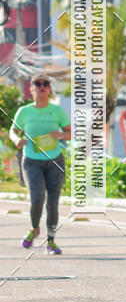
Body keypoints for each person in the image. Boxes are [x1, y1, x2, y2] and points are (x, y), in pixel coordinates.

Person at [9, 73, 71, 255]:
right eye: (38, 84)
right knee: (37, 198)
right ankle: (34, 228)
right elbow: (13, 131)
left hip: (55, 161)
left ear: (50, 89)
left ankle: (51, 242)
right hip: (31, 162)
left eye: (46, 84)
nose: (42, 87)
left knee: (53, 203)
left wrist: (60, 135)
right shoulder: (24, 111)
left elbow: (70, 133)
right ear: (31, 89)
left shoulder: (57, 111)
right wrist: (16, 140)